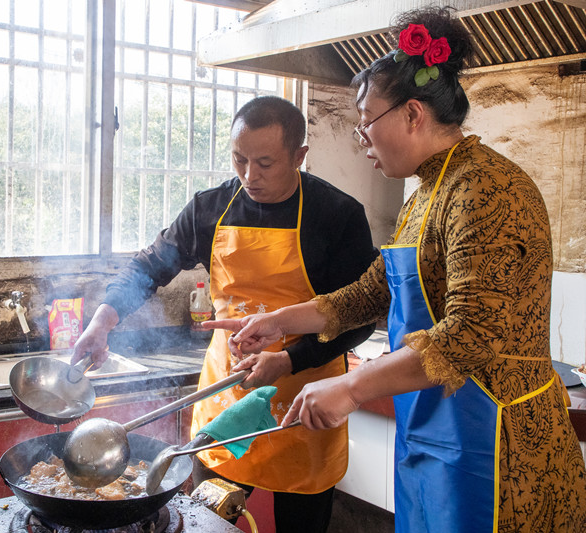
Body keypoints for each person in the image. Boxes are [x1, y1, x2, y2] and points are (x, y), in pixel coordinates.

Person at [206, 7, 586, 533]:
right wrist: (278, 323)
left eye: (367, 125)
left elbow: (470, 335)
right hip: (438, 428)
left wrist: (352, 386)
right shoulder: (428, 192)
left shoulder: (485, 189)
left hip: (500, 443)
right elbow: (368, 294)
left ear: (412, 114)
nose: (363, 142)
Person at [72, 95, 378, 532]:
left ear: (299, 156)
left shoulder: (338, 216)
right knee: (207, 524)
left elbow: (357, 317)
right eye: (240, 159)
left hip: (305, 396)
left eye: (266, 163)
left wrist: (289, 359)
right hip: (227, 393)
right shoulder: (210, 208)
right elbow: (148, 266)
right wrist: (104, 320)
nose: (250, 176)